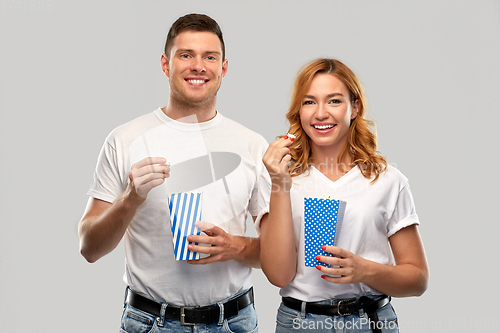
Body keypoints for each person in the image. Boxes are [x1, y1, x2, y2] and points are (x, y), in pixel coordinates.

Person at [78, 13, 269, 333]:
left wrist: (234, 247)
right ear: (166, 65)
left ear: (223, 69)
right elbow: (89, 248)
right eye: (186, 55)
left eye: (210, 57)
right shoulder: (125, 139)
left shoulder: (252, 145)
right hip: (150, 322)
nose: (198, 66)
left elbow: (281, 257)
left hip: (234, 322)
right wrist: (130, 199)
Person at [258, 58, 429, 333]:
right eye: (309, 102)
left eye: (334, 101)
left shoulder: (387, 180)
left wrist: (364, 270)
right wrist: (280, 184)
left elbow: (418, 279)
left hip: (370, 321)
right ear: (298, 111)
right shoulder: (279, 175)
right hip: (299, 323)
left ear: (354, 108)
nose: (321, 113)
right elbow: (278, 275)